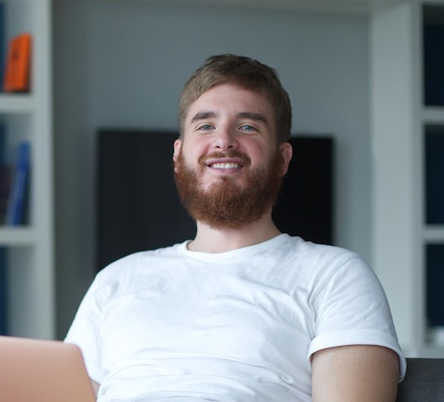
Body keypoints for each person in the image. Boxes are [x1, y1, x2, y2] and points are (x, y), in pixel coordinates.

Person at [65, 54, 406, 401]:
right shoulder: (117, 279)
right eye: (205, 125)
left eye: (247, 127)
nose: (223, 140)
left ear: (282, 159)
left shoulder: (335, 275)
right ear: (178, 154)